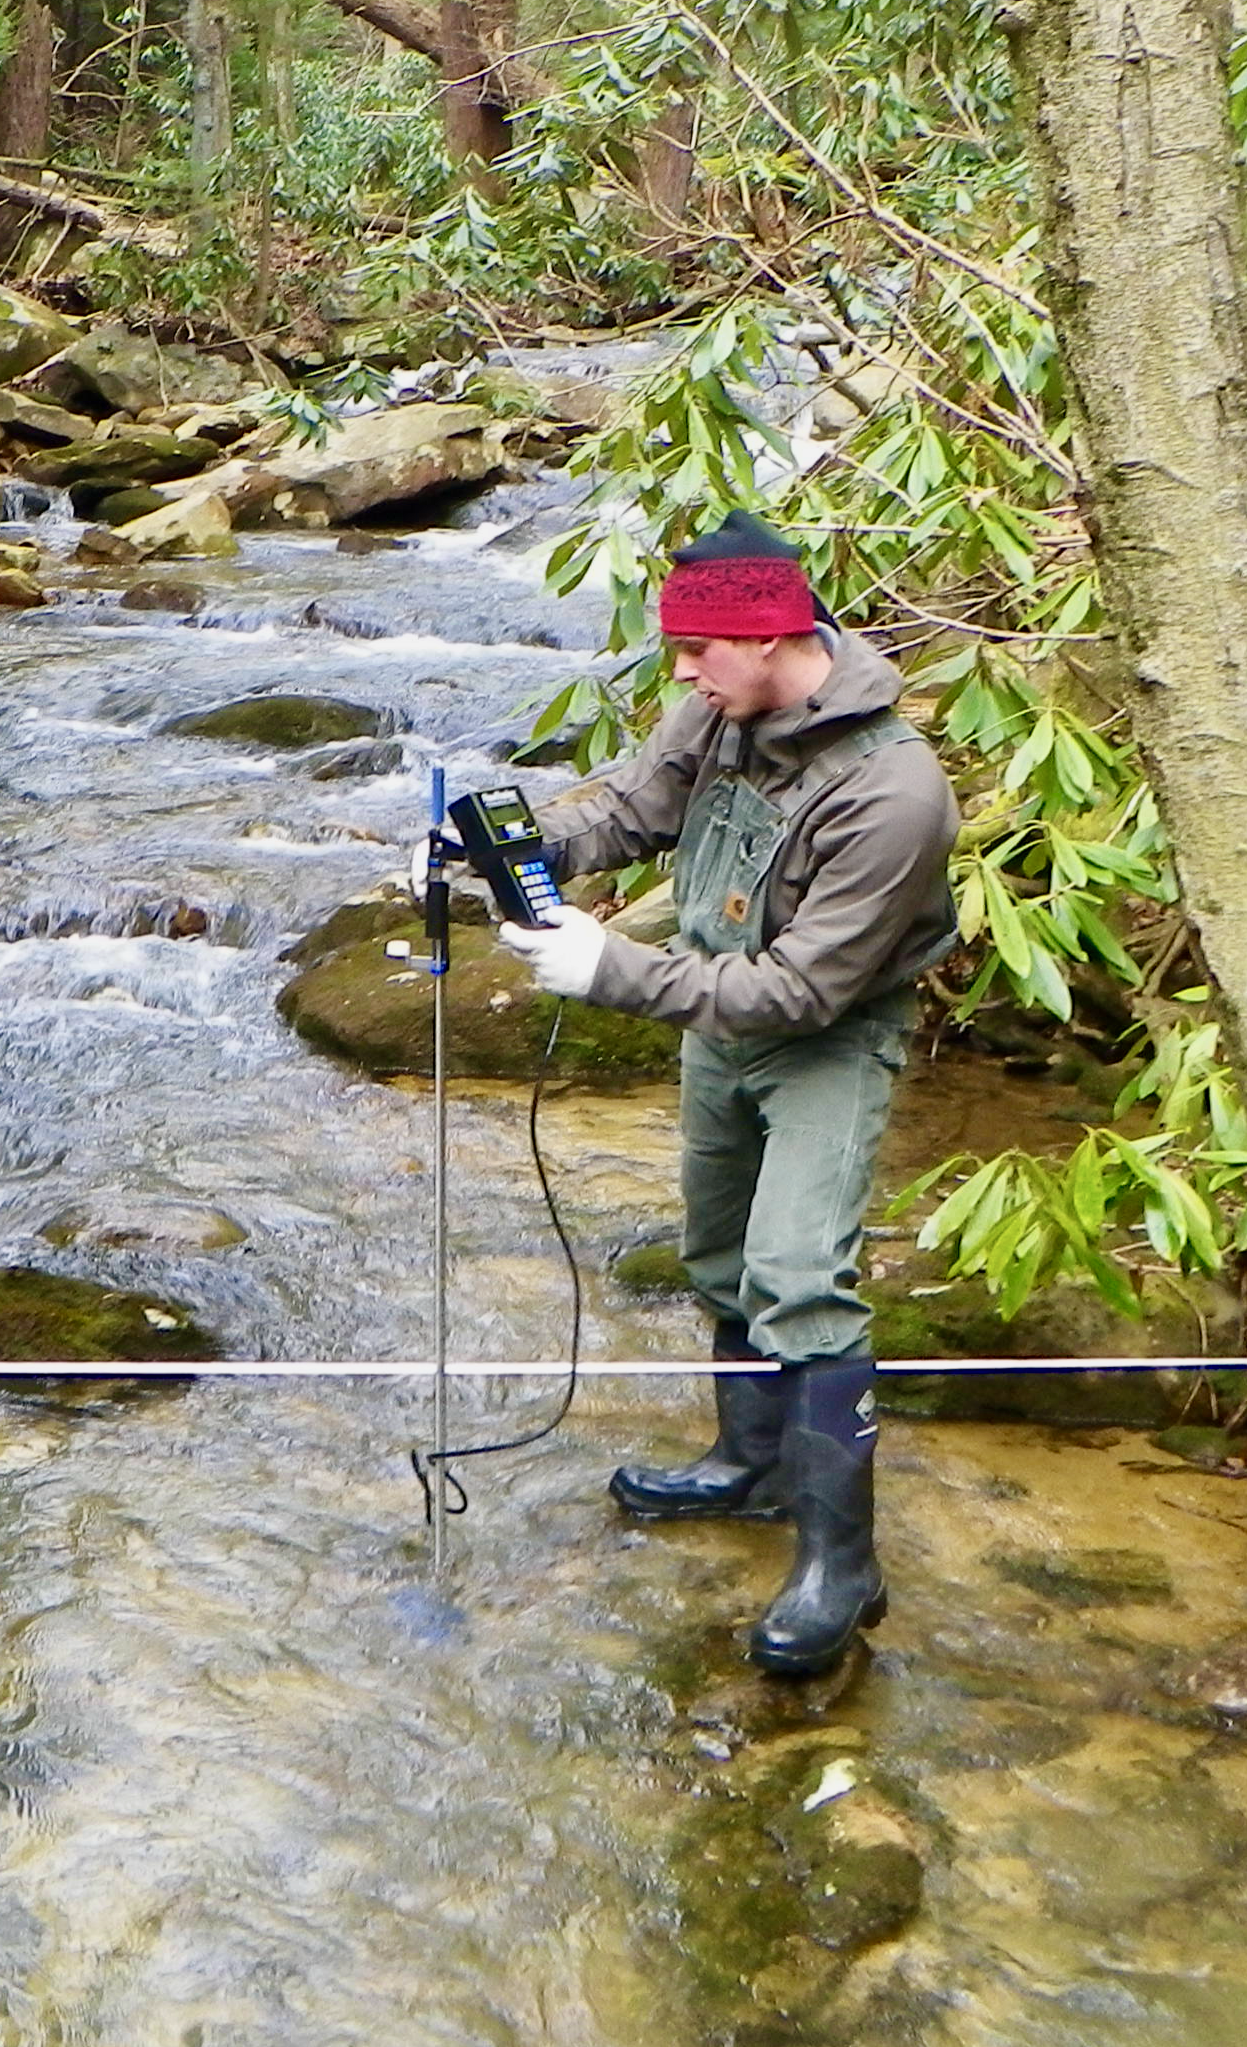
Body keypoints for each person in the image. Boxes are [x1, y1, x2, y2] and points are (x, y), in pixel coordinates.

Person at [494, 511, 959, 1676]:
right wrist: (492, 860)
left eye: (698, 652)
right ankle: (746, 1466)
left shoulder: (891, 791)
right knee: (717, 1258)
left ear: (772, 634)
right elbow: (629, 811)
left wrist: (612, 969)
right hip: (713, 1018)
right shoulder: (718, 707)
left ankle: (839, 1567)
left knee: (799, 1280)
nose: (683, 673)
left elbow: (804, 991)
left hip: (824, 1042)